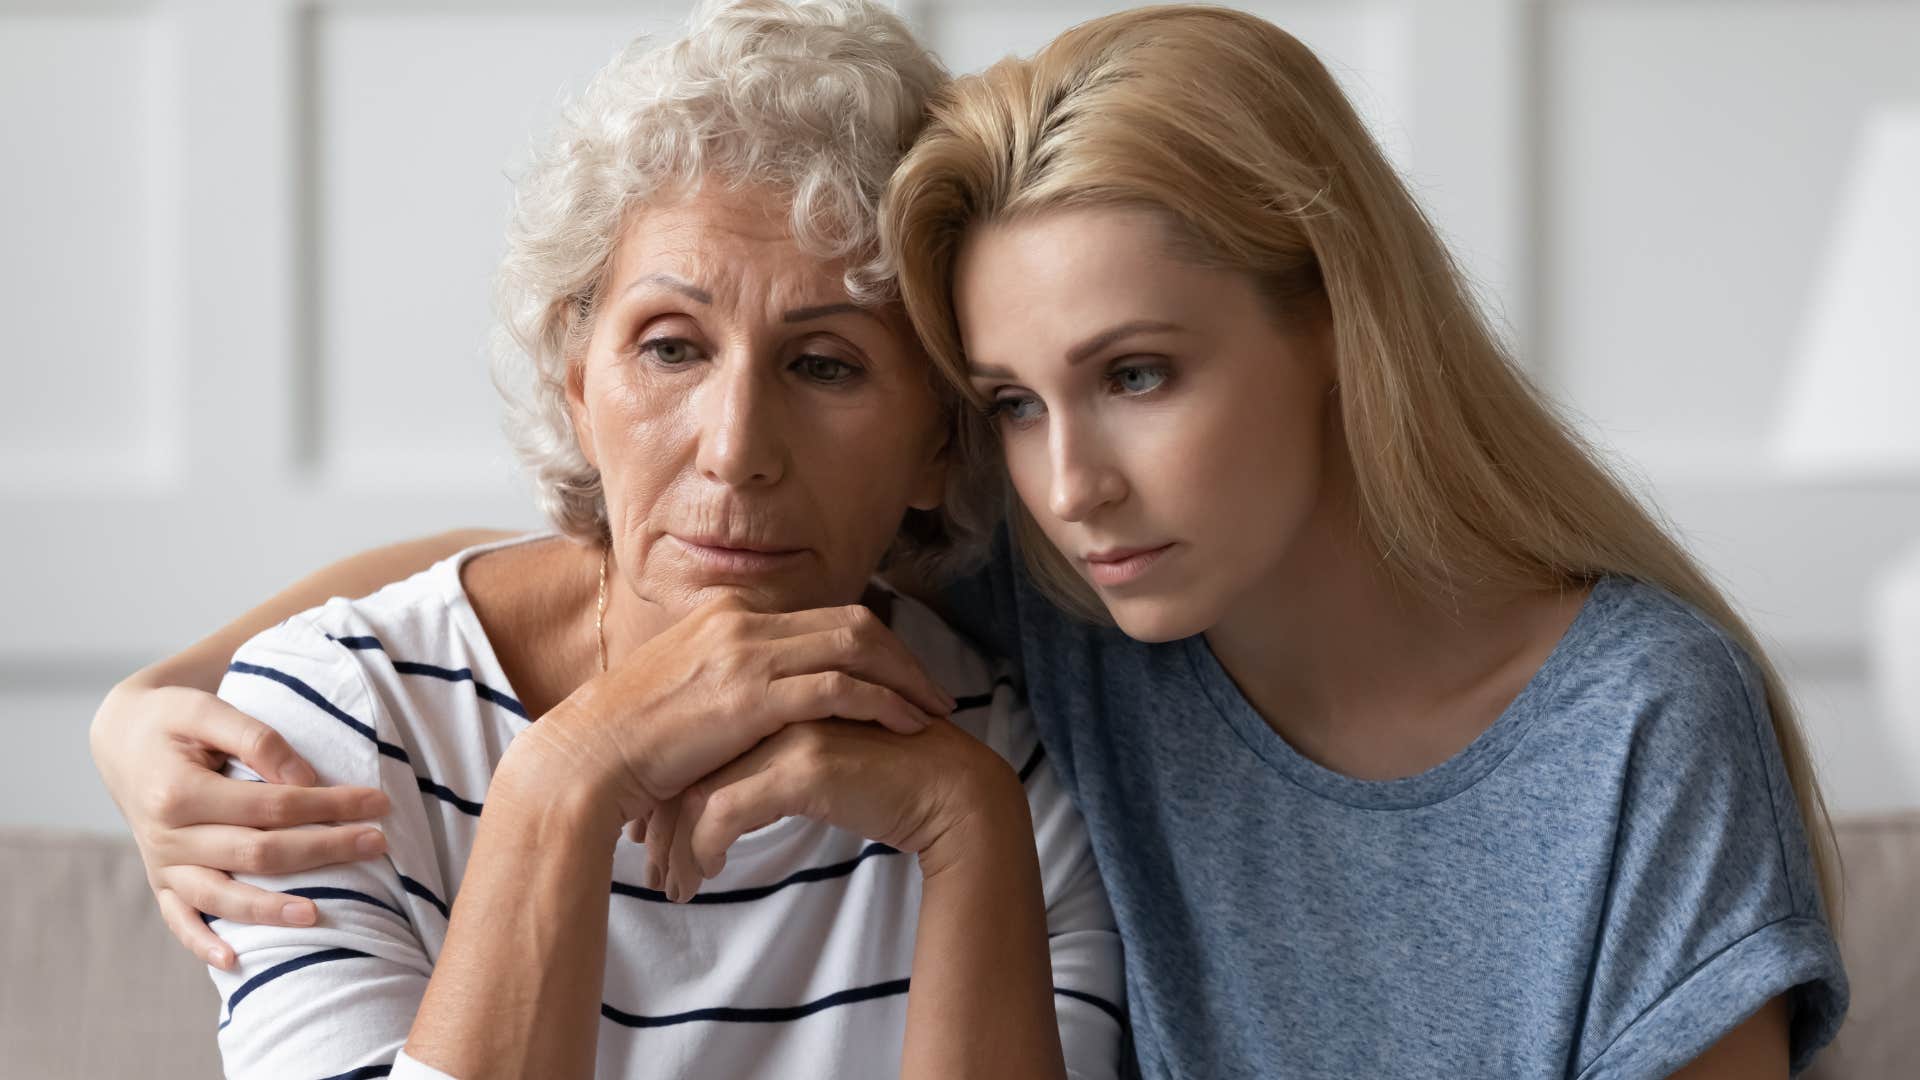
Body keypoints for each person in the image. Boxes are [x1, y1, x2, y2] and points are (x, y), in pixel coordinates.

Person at [93, 4, 1845, 1079]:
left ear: (1337, 326)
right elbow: (637, 553)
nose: (1072, 481)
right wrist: (153, 702)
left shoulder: (1620, 720)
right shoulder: (1075, 609)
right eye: (1013, 400)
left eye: (1137, 375)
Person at [96, 2, 1124, 1076]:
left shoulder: (1000, 761)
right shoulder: (341, 730)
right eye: (673, 348)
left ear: (940, 439)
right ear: (578, 386)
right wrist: (561, 787)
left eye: (826, 364)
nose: (735, 450)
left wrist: (968, 826)